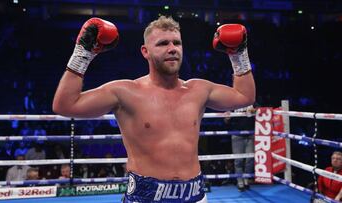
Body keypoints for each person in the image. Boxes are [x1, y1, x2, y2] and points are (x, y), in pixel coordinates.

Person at [53, 16, 255, 202]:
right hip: (146, 196)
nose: (172, 48)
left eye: (177, 43)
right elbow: (65, 105)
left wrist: (239, 55)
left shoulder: (198, 90)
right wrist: (82, 54)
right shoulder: (125, 92)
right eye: (163, 43)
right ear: (145, 51)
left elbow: (244, 97)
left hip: (195, 195)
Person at [224, 105, 256, 191]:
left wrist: (255, 110)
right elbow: (226, 120)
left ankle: (246, 179)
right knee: (238, 160)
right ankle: (240, 182)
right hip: (237, 135)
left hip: (250, 134)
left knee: (250, 159)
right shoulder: (232, 103)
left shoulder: (251, 101)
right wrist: (227, 118)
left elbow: (260, 111)